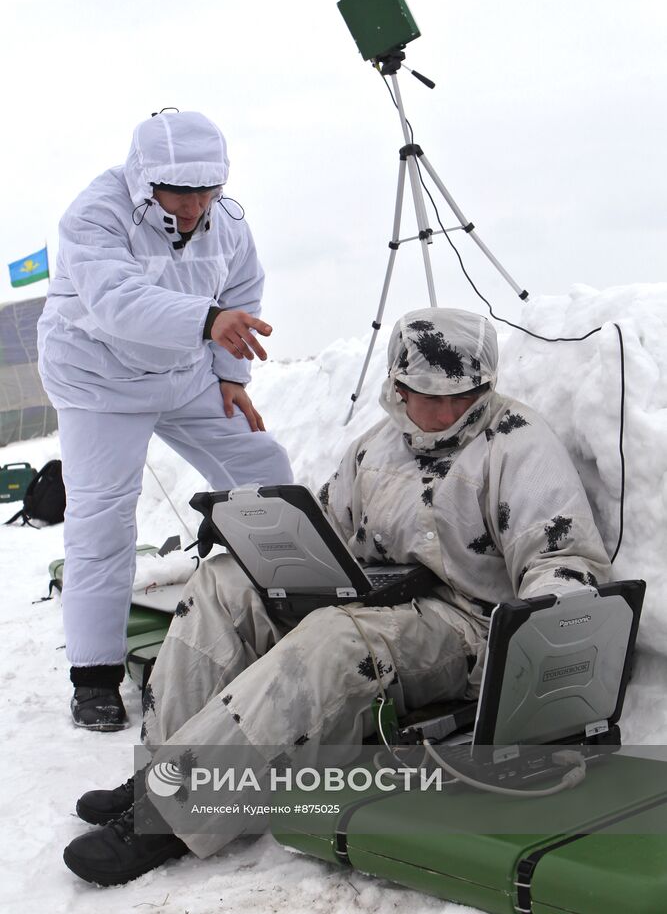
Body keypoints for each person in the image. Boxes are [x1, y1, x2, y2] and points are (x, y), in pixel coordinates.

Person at [62, 307, 611, 885]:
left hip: (464, 624)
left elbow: (564, 560)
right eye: (430, 397)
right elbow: (327, 526)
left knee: (332, 639)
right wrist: (258, 536)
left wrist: (536, 649)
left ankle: (170, 815)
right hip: (374, 595)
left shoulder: (517, 444)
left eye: (466, 395)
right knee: (223, 582)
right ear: (397, 390)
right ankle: (164, 766)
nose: (450, 411)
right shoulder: (376, 447)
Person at [37, 110, 293, 732]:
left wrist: (231, 376)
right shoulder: (94, 215)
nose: (196, 203)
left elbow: (243, 289)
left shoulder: (225, 220)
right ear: (144, 179)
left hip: (184, 373)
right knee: (102, 516)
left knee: (264, 469)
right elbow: (116, 300)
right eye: (181, 190)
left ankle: (293, 603)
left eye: (209, 189)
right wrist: (208, 323)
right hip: (98, 380)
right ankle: (93, 677)